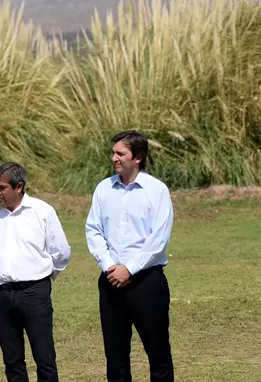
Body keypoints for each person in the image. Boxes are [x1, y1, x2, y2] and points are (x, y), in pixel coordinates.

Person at [85, 131, 174, 382]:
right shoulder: (103, 188)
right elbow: (93, 229)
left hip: (147, 283)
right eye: (113, 152)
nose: (114, 158)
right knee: (115, 358)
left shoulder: (157, 191)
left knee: (158, 354)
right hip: (111, 281)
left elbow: (158, 240)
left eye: (120, 153)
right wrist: (110, 266)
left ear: (138, 157)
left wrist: (130, 269)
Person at [0, 162, 71, 382]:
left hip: (34, 292)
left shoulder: (42, 211)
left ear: (19, 187)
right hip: (1, 293)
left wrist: (45, 275)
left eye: (2, 188)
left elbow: (61, 252)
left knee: (44, 356)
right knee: (12, 360)